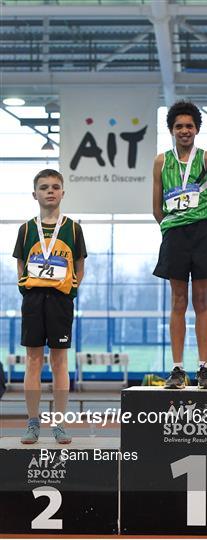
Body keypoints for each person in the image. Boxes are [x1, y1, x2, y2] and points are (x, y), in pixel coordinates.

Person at [153, 101, 207, 389]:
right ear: (171, 130)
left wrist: (203, 228)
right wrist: (174, 227)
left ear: (197, 129)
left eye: (189, 126)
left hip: (204, 233)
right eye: (179, 126)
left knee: (202, 301)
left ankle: (204, 368)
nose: (184, 130)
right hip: (174, 234)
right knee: (178, 301)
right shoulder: (161, 161)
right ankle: (177, 369)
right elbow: (157, 209)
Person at [13, 169, 87, 444]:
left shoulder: (73, 228)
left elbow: (79, 265)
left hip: (60, 300)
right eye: (44, 187)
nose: (50, 191)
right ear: (35, 194)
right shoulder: (26, 229)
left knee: (59, 362)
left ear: (63, 193)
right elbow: (20, 263)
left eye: (55, 187)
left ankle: (59, 423)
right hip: (33, 300)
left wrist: (71, 290)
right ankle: (33, 422)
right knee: (33, 361)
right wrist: (24, 287)